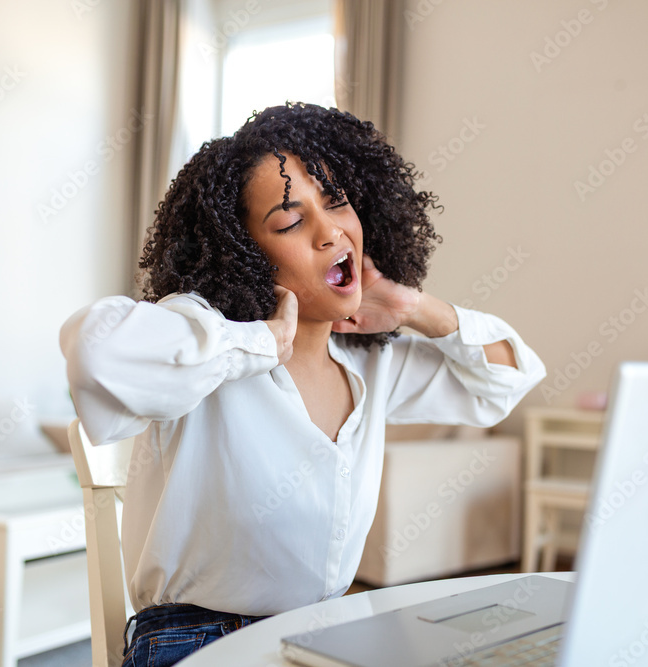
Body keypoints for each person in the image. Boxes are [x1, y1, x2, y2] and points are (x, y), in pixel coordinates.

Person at [60, 102, 545, 666]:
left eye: (336, 201)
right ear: (243, 253)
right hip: (195, 642)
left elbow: (506, 379)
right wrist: (263, 342)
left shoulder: (370, 363)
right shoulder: (207, 341)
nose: (330, 231)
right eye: (290, 222)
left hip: (322, 635)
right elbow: (94, 352)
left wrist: (413, 307)